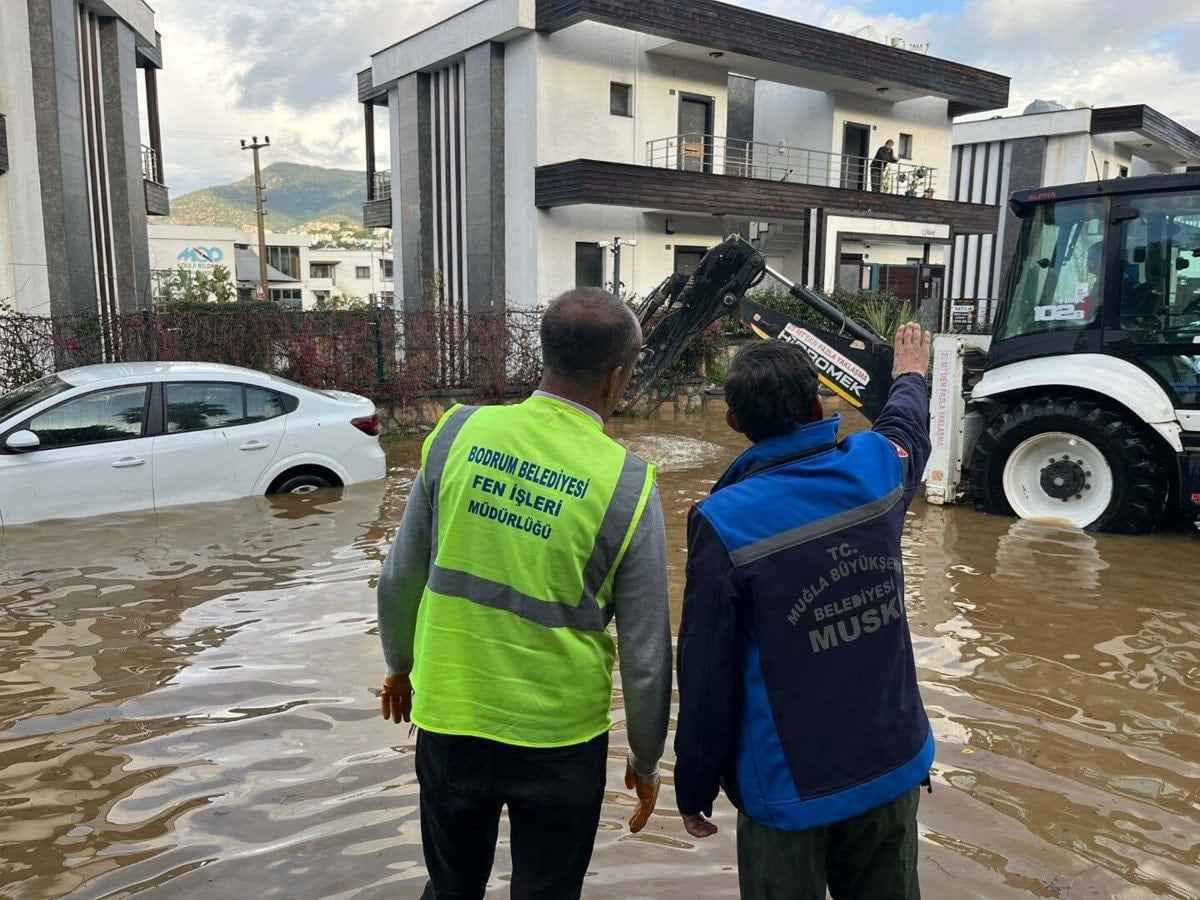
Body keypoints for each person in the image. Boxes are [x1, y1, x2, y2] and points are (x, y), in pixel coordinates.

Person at [377, 287, 671, 900]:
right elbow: (646, 657)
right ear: (617, 376)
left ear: (544, 354)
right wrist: (645, 762)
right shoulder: (629, 486)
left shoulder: (457, 432)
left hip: (451, 715)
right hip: (560, 739)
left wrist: (399, 668)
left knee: (451, 887)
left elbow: (399, 577)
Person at [673, 324, 935, 900]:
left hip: (790, 792)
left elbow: (705, 671)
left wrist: (693, 784)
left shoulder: (724, 521)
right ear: (818, 406)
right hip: (892, 764)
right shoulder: (876, 469)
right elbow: (907, 427)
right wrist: (911, 375)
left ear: (733, 422)